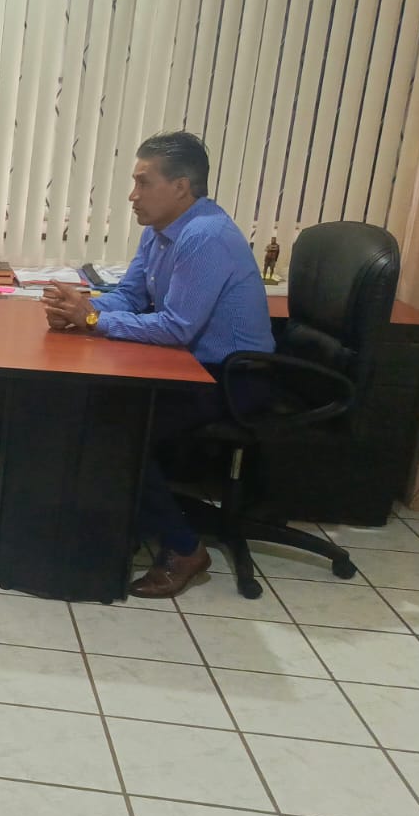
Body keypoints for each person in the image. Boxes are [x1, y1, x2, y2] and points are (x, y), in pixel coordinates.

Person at [42, 131, 274, 598]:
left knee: (115, 430)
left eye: (143, 183)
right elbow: (131, 297)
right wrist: (81, 308)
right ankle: (119, 521)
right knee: (94, 405)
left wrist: (92, 320)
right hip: (188, 366)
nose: (133, 195)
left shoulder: (204, 237)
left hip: (233, 379)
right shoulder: (160, 230)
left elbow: (177, 327)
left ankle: (184, 548)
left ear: (181, 187)